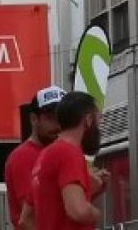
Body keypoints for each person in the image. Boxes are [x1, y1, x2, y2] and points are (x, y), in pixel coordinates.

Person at [32, 91, 104, 230]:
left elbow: (28, 215)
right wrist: (97, 214)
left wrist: (89, 189)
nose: (98, 127)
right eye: (98, 120)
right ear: (88, 120)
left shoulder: (46, 154)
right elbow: (78, 211)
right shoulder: (69, 153)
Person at [8, 86, 65, 230]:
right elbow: (33, 214)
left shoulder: (60, 152)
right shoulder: (23, 157)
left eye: (62, 118)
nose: (58, 125)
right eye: (51, 118)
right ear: (34, 119)